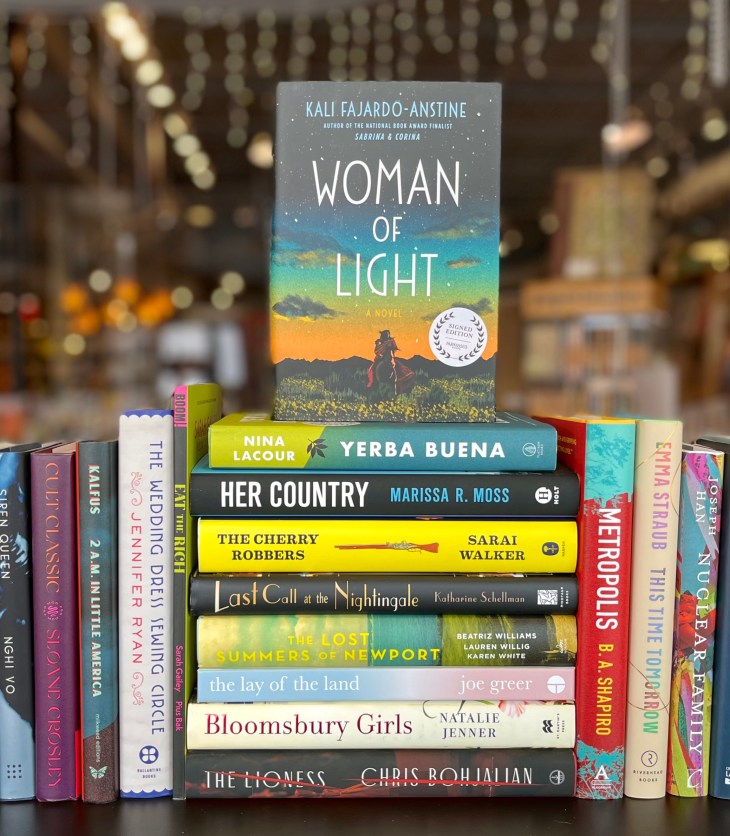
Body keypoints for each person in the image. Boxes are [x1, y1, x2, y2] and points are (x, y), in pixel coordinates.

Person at [366, 329, 415, 397]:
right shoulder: (379, 342)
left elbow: (394, 348)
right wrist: (380, 355)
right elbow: (376, 351)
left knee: (398, 367)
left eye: (388, 334)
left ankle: (397, 382)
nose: (387, 336)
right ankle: (374, 383)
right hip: (380, 358)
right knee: (374, 368)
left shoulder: (391, 341)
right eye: (386, 335)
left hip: (390, 358)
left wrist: (390, 349)